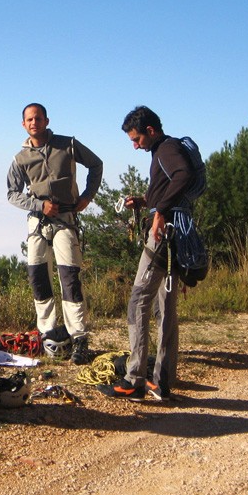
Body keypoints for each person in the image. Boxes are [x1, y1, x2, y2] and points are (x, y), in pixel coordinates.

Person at [99, 105, 195, 401]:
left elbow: (183, 174)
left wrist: (160, 213)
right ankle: (162, 382)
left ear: (150, 131)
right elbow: (173, 183)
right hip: (177, 234)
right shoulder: (167, 148)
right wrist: (145, 201)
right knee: (165, 307)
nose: (134, 145)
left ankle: (134, 379)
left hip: (163, 238)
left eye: (136, 139)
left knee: (138, 301)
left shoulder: (165, 150)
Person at [7, 103, 103, 365]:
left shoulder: (68, 145)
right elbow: (12, 193)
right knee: (38, 277)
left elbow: (95, 165)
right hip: (37, 221)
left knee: (69, 276)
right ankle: (47, 334)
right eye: (29, 119)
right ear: (23, 124)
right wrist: (39, 205)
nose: (34, 122)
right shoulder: (20, 158)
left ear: (47, 121)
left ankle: (79, 338)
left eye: (38, 118)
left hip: (65, 219)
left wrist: (86, 197)